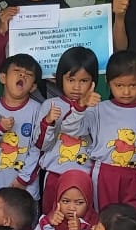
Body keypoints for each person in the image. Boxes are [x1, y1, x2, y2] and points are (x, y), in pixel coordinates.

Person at [62, 50, 136, 225]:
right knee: (103, 219)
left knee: (135, 220)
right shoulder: (98, 109)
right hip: (105, 174)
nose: (126, 91)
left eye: (133, 85)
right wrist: (81, 106)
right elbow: (70, 129)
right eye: (119, 85)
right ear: (107, 83)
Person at [34, 47, 100, 204]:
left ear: (93, 82)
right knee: (52, 216)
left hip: (84, 175)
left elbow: (79, 131)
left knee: (82, 218)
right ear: (60, 78)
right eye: (71, 80)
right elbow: (41, 145)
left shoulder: (96, 107)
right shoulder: (50, 105)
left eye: (84, 81)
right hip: (55, 173)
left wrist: (82, 106)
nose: (77, 87)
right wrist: (48, 122)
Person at [0, 54, 43, 201]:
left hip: (25, 189)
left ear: (33, 87)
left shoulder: (37, 110)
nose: (22, 75)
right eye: (17, 71)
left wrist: (23, 179)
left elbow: (39, 149)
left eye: (28, 74)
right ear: (3, 78)